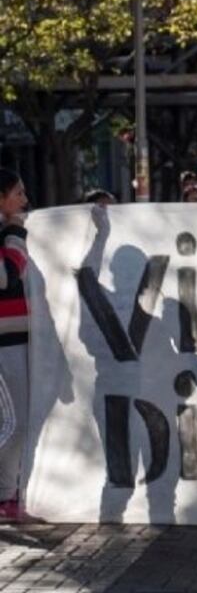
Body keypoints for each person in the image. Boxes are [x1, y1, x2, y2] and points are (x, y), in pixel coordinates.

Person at [0, 170, 30, 521]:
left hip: (16, 339)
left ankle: (8, 493)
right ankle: (5, 494)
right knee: (15, 422)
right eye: (18, 193)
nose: (24, 201)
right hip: (6, 342)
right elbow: (7, 278)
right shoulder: (10, 234)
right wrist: (15, 233)